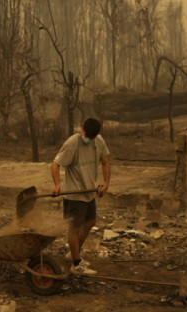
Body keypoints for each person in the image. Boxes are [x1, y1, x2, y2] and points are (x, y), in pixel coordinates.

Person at [51, 118, 110, 275]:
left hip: (89, 192)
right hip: (74, 194)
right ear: (82, 129)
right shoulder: (71, 144)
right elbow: (55, 164)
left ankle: (74, 252)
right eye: (86, 135)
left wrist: (106, 184)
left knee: (90, 222)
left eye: (91, 137)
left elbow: (105, 162)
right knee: (74, 228)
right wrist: (57, 185)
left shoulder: (98, 141)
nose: (88, 139)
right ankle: (76, 265)